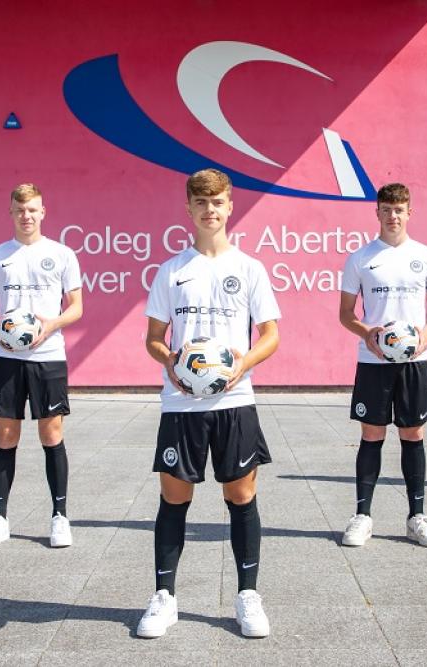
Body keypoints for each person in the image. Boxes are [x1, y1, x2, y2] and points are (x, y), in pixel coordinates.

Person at [137, 169, 281, 639]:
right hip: (181, 406)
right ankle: (165, 598)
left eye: (217, 201)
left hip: (235, 400)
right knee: (173, 498)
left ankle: (247, 595)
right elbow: (154, 340)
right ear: (188, 208)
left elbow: (271, 336)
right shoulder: (171, 271)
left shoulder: (250, 268)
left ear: (229, 205)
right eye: (200, 202)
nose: (209, 210)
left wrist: (242, 365)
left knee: (240, 496)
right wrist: (173, 364)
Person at [338, 183, 427, 548]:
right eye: (386, 209)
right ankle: (362, 516)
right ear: (378, 213)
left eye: (399, 209)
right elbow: (345, 314)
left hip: (414, 362)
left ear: (409, 213)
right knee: (371, 435)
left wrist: (424, 337)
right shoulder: (360, 258)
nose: (393, 216)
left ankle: (417, 517)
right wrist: (368, 332)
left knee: (413, 435)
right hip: (374, 361)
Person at [0, 183, 83, 548]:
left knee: (51, 435)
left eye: (33, 210)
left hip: (48, 357)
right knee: (6, 437)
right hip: (8, 360)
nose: (27, 216)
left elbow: (76, 308)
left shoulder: (62, 254)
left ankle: (60, 517)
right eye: (20, 210)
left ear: (43, 212)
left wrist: (49, 326)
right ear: (11, 212)